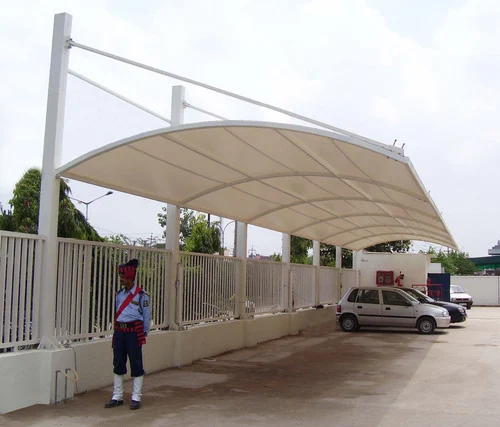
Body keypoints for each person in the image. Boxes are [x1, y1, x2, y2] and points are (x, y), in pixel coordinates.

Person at [105, 259, 151, 410]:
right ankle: (117, 396)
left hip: (133, 332)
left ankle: (136, 397)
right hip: (120, 332)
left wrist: (144, 333)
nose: (121, 279)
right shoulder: (119, 294)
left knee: (136, 363)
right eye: (120, 276)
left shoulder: (142, 295)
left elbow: (146, 317)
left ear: (130, 277)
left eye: (123, 276)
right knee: (118, 362)